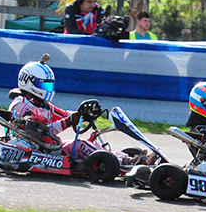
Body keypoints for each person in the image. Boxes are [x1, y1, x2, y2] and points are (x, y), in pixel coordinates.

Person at [8, 56, 147, 165]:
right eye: (42, 84)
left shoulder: (42, 104)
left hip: (47, 147)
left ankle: (126, 158)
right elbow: (39, 133)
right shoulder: (21, 105)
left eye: (48, 85)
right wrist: (68, 122)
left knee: (93, 143)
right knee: (81, 145)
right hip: (35, 149)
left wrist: (83, 115)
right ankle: (122, 163)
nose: (46, 88)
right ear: (28, 81)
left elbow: (63, 114)